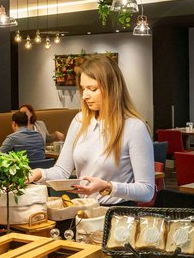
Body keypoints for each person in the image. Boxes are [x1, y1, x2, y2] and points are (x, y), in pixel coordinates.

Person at [29, 54, 154, 205]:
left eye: (92, 89)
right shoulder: (79, 120)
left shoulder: (134, 127)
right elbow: (61, 171)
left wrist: (108, 187)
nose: (85, 96)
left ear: (111, 88)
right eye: (83, 89)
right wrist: (38, 173)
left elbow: (146, 191)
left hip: (118, 213)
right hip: (85, 209)